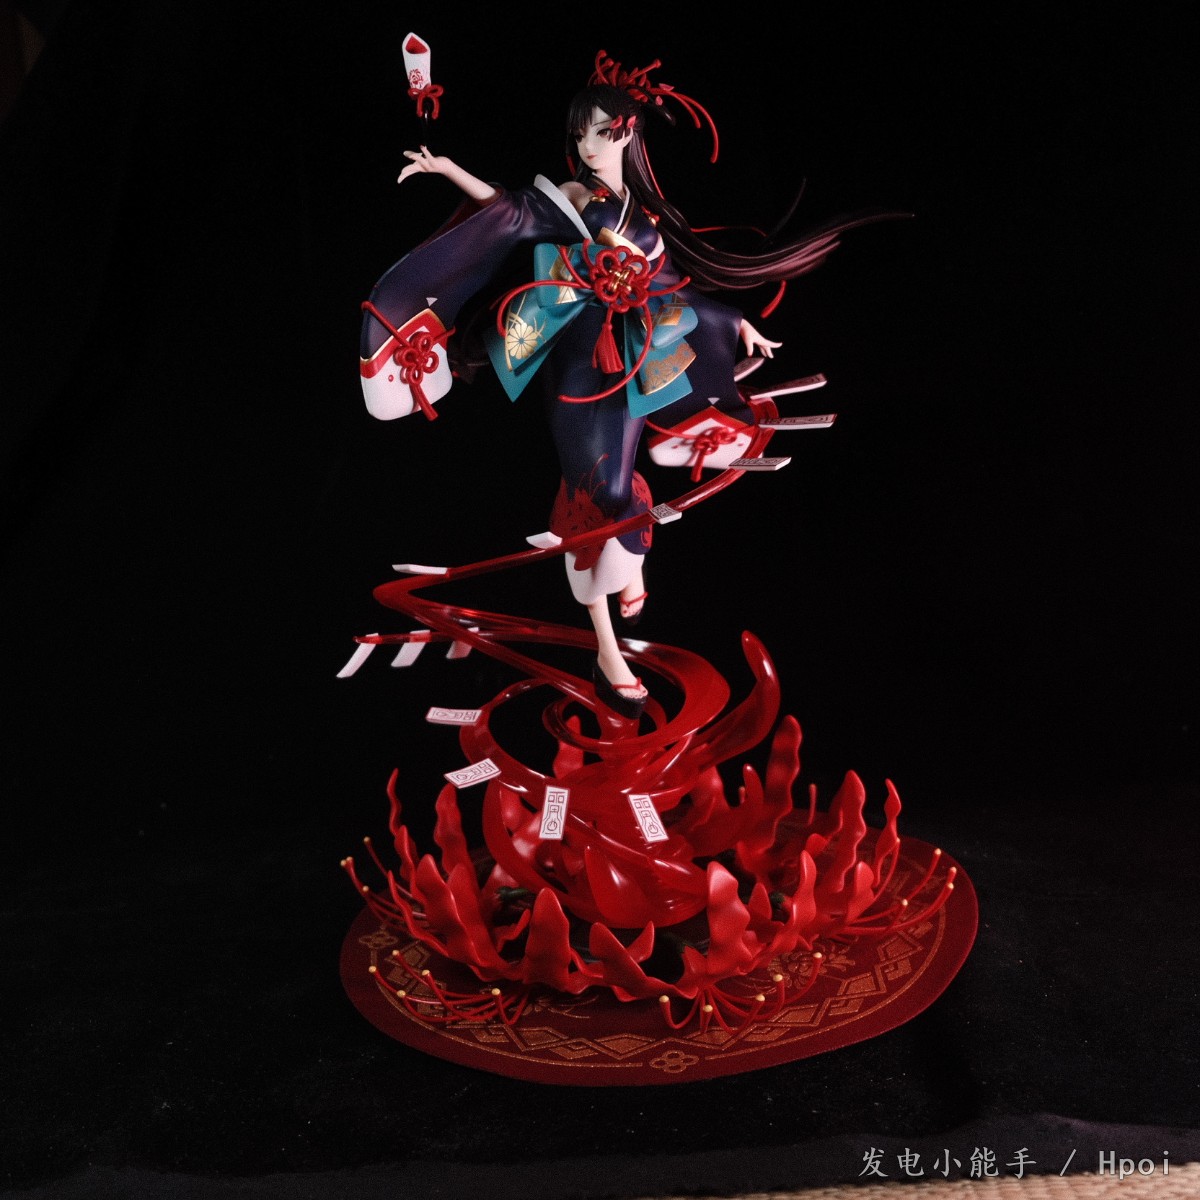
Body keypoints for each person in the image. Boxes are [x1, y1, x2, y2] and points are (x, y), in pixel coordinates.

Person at [360, 54, 870, 720]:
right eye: (580, 134)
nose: (588, 145)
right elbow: (510, 212)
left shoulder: (645, 212)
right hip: (578, 363)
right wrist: (450, 170)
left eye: (601, 132)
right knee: (596, 492)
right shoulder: (574, 200)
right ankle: (608, 651)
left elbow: (669, 286)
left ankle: (627, 573)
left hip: (628, 364)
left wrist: (734, 321)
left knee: (619, 484)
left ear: (629, 133)